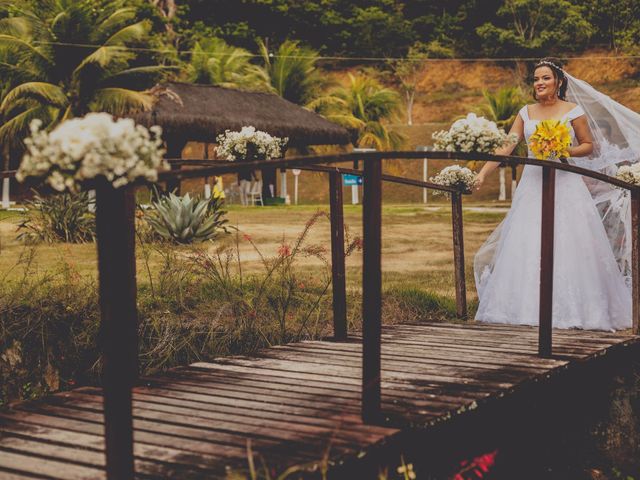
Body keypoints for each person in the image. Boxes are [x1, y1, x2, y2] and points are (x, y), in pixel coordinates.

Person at [473, 58, 632, 331]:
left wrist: (563, 150)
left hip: (566, 184)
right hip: (533, 185)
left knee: (572, 239)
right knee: (527, 239)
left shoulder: (573, 111)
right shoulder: (526, 112)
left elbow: (587, 146)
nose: (539, 83)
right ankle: (524, 308)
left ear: (558, 82)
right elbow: (507, 145)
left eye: (545, 78)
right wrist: (482, 173)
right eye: (536, 79)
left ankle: (579, 309)